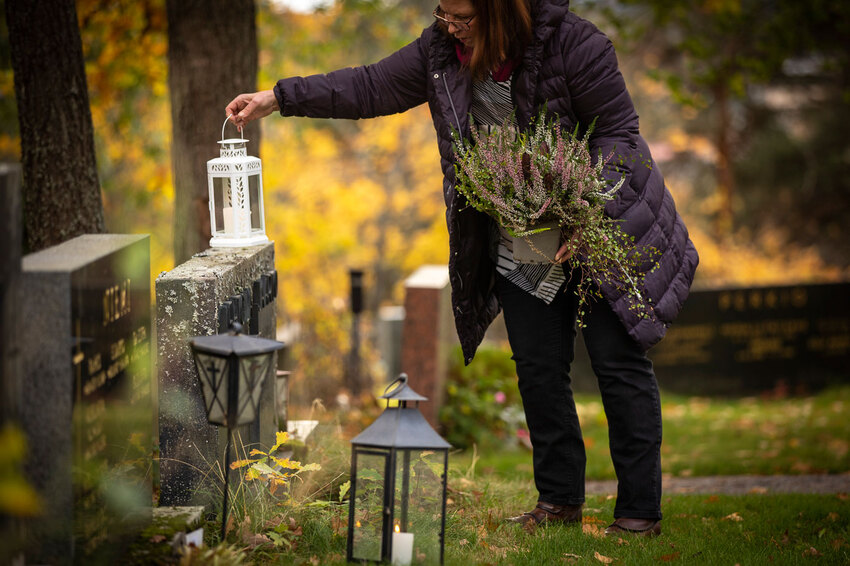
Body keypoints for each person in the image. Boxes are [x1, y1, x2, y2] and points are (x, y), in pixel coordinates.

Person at [227, 0, 698, 537]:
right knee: (539, 368)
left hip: (602, 222)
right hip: (522, 233)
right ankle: (559, 502)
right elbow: (370, 85)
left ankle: (638, 513)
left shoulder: (576, 43)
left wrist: (586, 209)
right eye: (443, 14)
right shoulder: (440, 52)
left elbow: (619, 134)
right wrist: (279, 97)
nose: (449, 27)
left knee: (617, 364)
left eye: (462, 18)